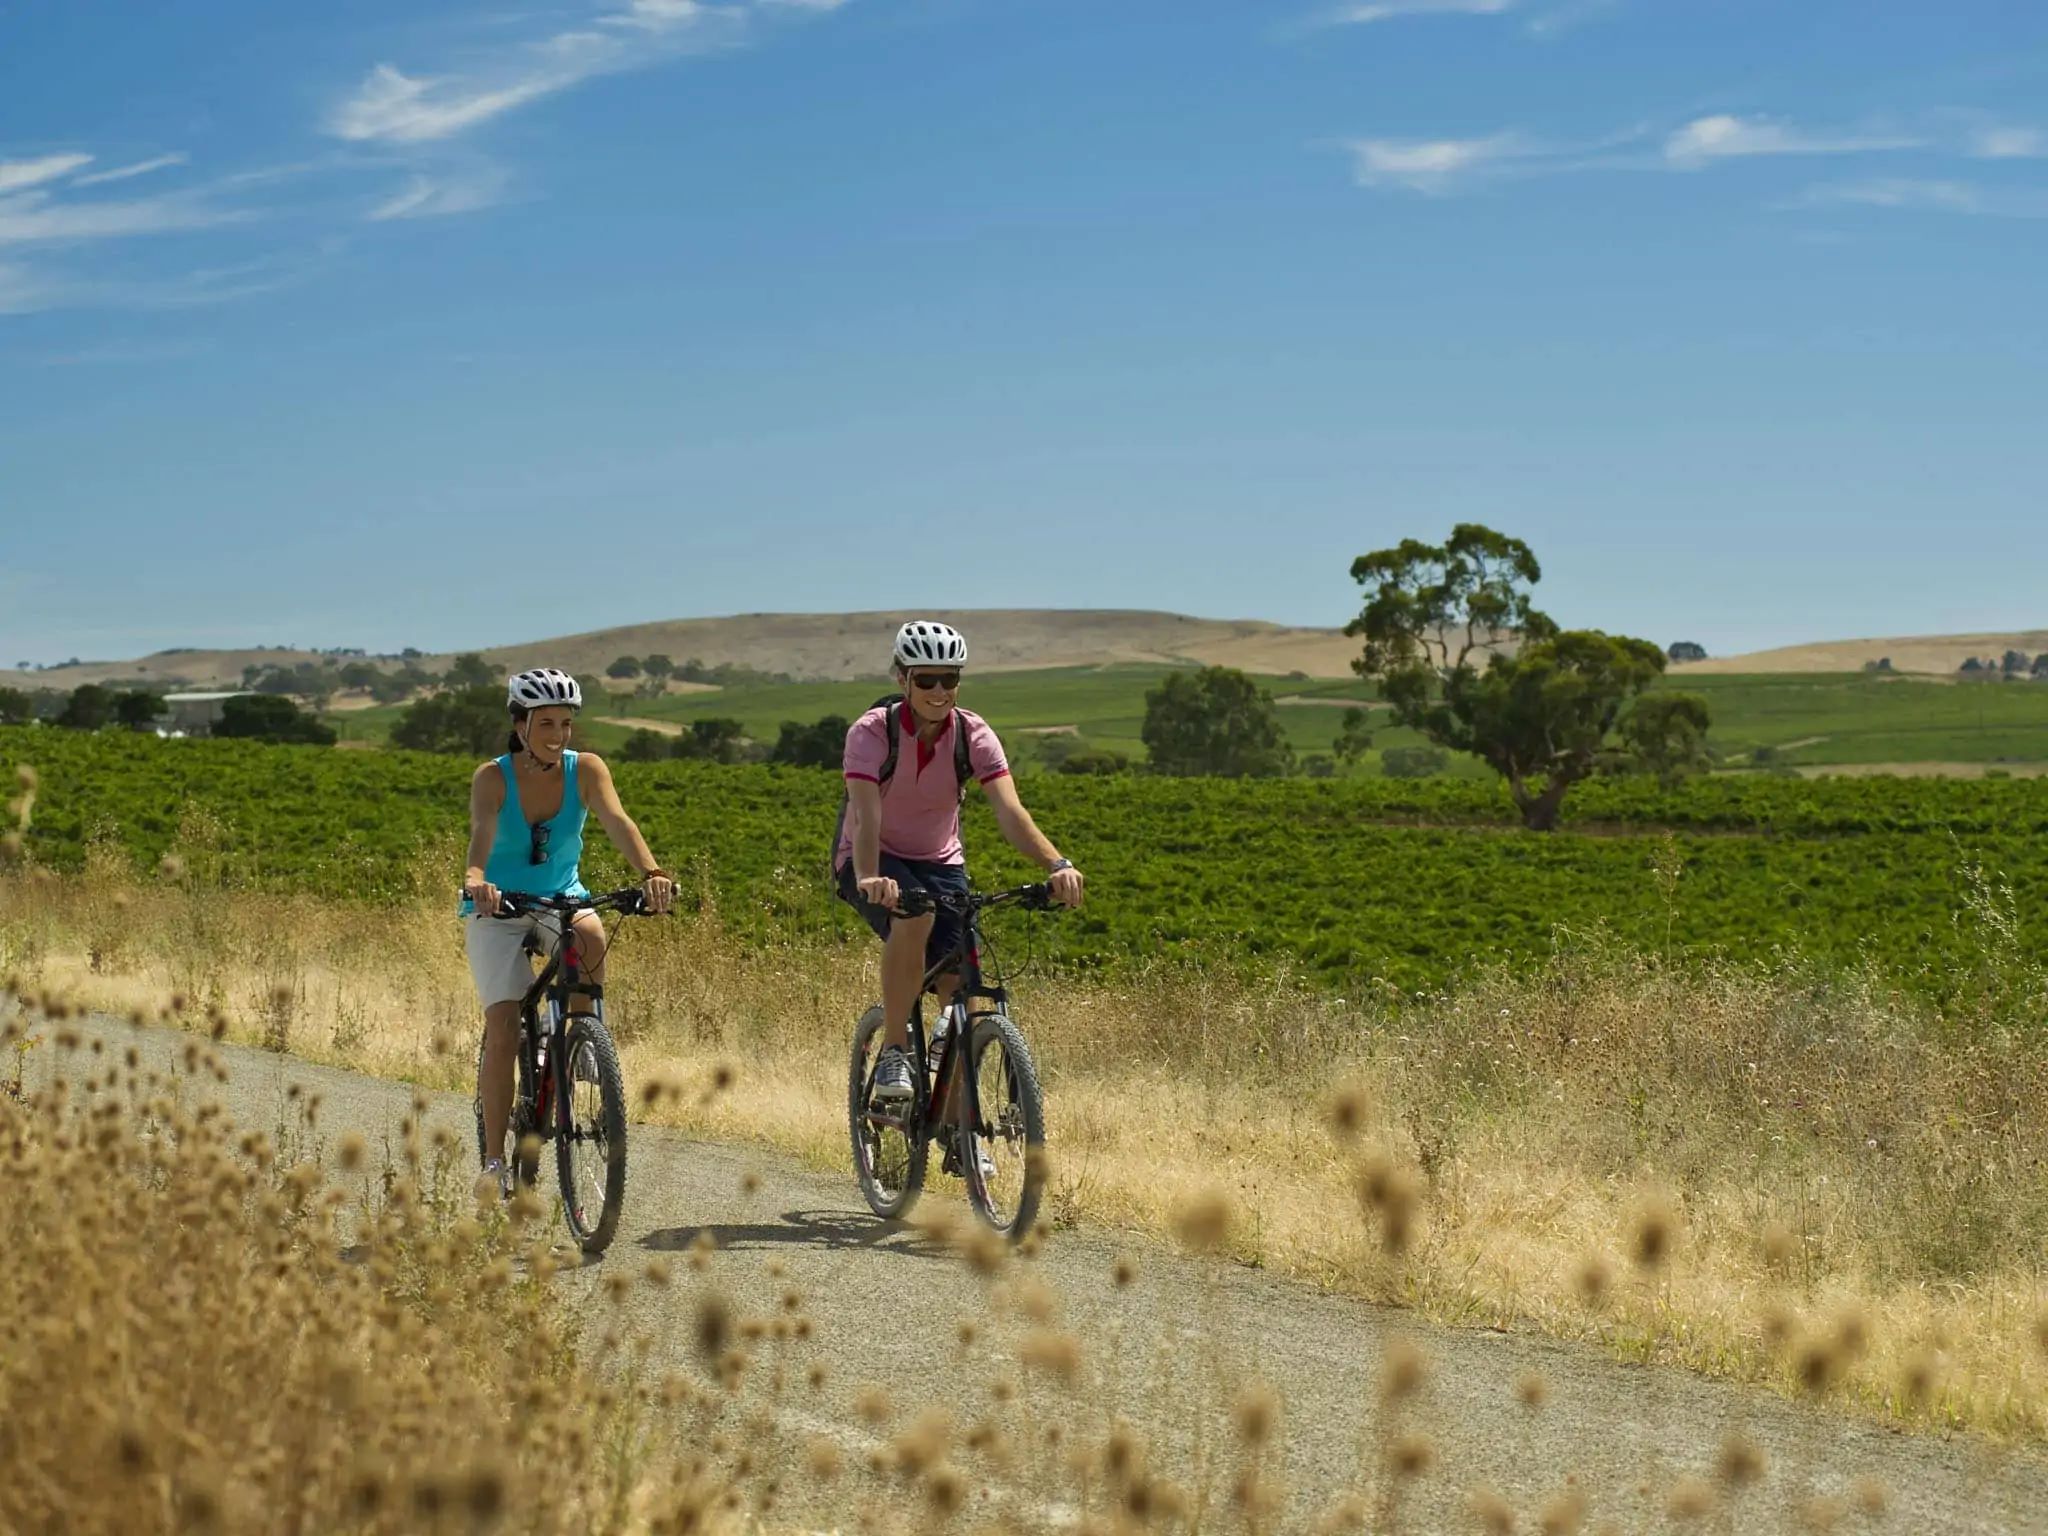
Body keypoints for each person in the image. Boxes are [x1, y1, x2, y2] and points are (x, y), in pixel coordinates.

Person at [835, 621, 1084, 1105]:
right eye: (926, 679)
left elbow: (1011, 812)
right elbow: (865, 816)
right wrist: (869, 877)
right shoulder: (872, 733)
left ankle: (960, 1135)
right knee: (915, 917)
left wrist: (1057, 865)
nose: (939, 690)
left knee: (961, 991)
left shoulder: (973, 734)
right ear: (903, 679)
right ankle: (893, 1051)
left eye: (949, 679)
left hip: (941, 860)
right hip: (871, 857)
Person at [461, 667, 674, 1191]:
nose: (558, 735)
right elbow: (481, 836)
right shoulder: (492, 777)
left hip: (562, 897)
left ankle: (580, 1041)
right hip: (499, 907)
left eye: (565, 723)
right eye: (546, 723)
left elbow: (618, 820)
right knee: (506, 1026)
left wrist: (651, 873)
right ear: (519, 724)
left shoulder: (587, 770)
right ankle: (493, 1161)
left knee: (592, 934)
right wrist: (476, 883)